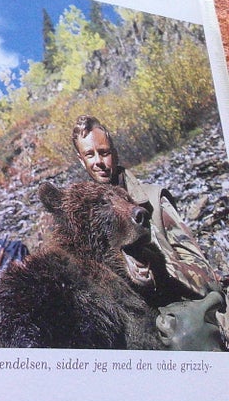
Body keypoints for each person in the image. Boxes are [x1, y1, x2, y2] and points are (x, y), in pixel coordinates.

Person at [71, 114, 226, 350]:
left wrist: (156, 265)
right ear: (81, 160)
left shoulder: (152, 200)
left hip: (172, 304)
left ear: (114, 152)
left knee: (185, 335)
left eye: (103, 152)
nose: (98, 162)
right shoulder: (82, 216)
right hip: (119, 313)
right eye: (89, 154)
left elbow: (204, 274)